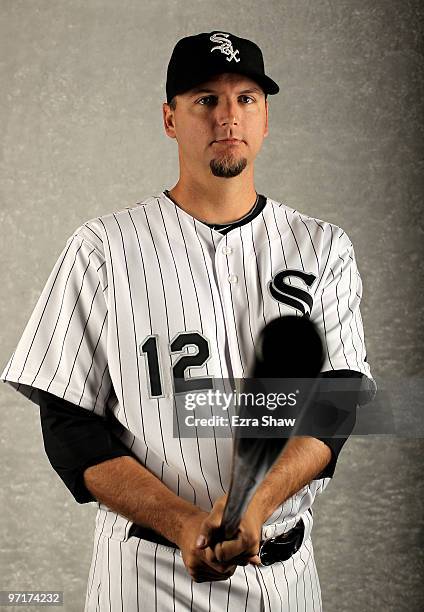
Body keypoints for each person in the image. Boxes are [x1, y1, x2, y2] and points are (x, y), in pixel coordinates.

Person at [1, 31, 375, 611]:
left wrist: (259, 502)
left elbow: (338, 402)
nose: (229, 116)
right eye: (205, 99)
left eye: (246, 98)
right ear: (170, 118)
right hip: (148, 573)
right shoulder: (103, 249)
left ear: (266, 116)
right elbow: (70, 427)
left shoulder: (322, 248)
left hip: (286, 577)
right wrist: (181, 521)